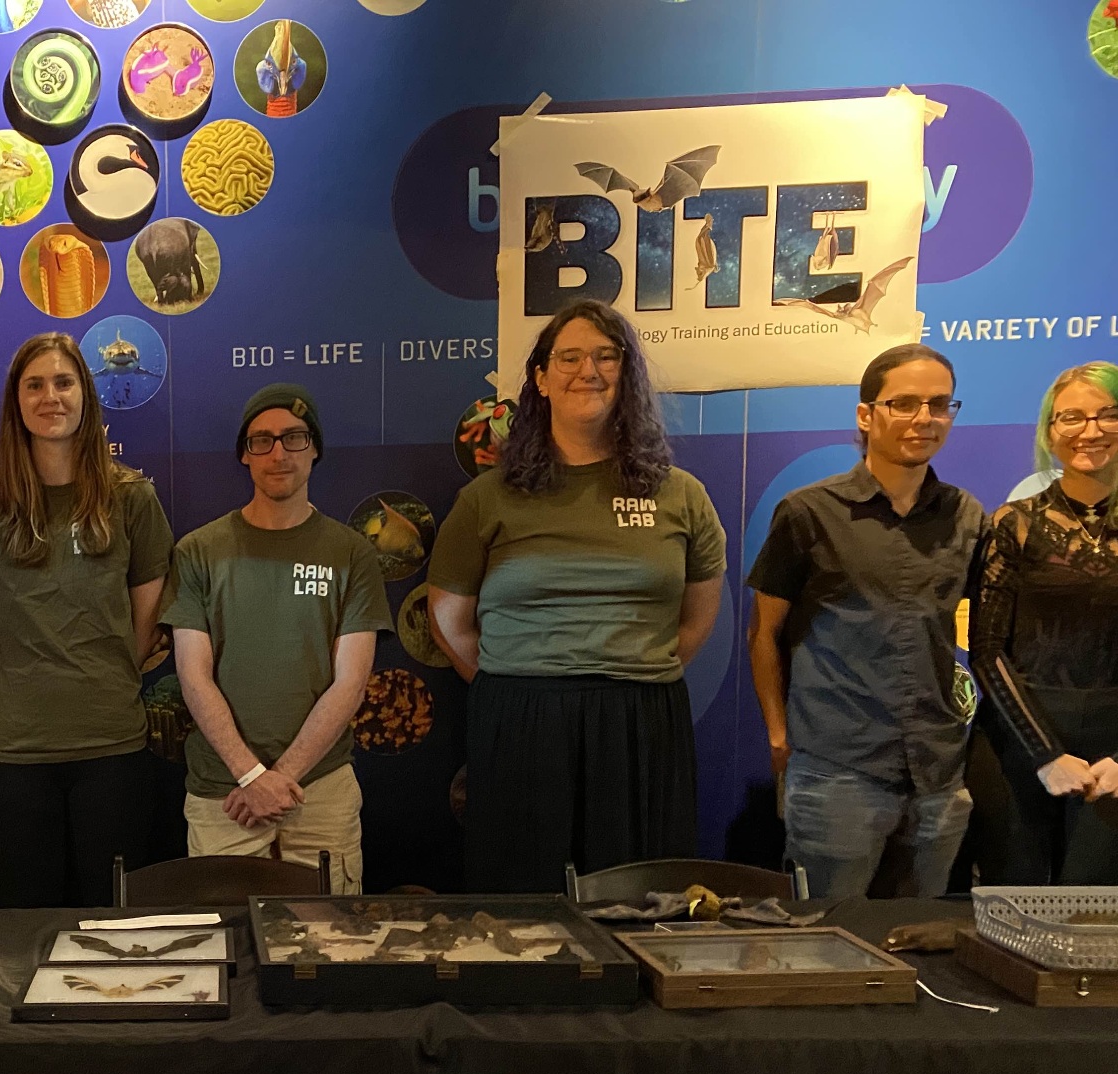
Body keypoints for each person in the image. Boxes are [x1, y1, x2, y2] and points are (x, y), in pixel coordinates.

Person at [426, 299, 725, 892]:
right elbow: (449, 620)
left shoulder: (681, 495)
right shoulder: (489, 498)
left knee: (637, 899)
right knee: (522, 905)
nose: (588, 370)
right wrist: (521, 682)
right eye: (569, 358)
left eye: (606, 356)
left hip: (640, 722)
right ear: (540, 378)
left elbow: (695, 621)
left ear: (626, 373)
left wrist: (626, 669)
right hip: (521, 721)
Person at [0, 332, 174, 906]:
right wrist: (23, 685)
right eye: (35, 385)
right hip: (15, 752)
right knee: (27, 923)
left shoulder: (132, 497)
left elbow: (146, 620)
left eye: (64, 382)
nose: (51, 397)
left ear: (85, 396)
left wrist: (105, 677)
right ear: (17, 402)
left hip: (111, 745)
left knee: (112, 920)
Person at [746, 344, 986, 899]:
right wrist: (779, 735)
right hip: (837, 768)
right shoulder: (808, 512)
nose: (924, 418)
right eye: (903, 403)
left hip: (938, 773)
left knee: (918, 938)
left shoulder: (966, 516)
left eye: (939, 404)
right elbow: (764, 636)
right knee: (825, 936)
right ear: (865, 414)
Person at [161, 384, 389, 891]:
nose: (278, 453)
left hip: (320, 793)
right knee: (227, 935)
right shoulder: (198, 551)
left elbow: (350, 683)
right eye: (261, 440)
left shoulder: (352, 554)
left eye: (294, 437)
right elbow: (193, 677)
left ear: (315, 449)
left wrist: (279, 779)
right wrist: (250, 776)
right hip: (225, 797)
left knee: (327, 936)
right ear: (245, 454)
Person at [966, 362, 1118, 882]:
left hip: (1113, 755)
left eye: (1108, 414)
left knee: (1096, 919)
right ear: (1050, 432)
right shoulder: (1014, 522)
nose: (1090, 430)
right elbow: (986, 650)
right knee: (1010, 912)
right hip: (1018, 743)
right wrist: (1046, 755)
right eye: (1071, 417)